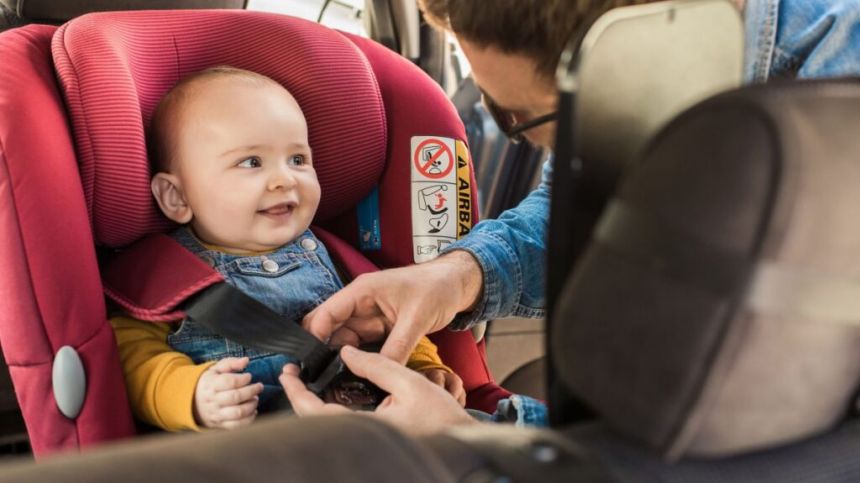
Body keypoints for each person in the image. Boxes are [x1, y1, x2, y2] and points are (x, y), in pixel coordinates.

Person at [283, 0, 860, 435]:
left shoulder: (839, 107)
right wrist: (458, 275)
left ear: (638, 57)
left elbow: (773, 442)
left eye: (522, 118)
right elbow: (583, 202)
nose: (534, 147)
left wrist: (470, 443)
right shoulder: (642, 87)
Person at [110, 66, 465, 432]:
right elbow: (133, 358)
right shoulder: (165, 278)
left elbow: (392, 321)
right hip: (260, 450)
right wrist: (193, 395)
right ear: (177, 196)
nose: (285, 179)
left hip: (371, 430)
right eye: (251, 162)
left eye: (298, 159)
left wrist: (424, 368)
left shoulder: (337, 258)